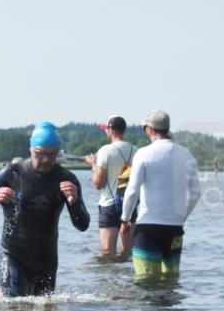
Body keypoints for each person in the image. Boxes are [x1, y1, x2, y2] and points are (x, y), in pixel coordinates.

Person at [0, 122, 90, 297]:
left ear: (57, 152)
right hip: (13, 254)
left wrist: (74, 203)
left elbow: (83, 225)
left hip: (46, 260)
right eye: (40, 153)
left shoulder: (66, 178)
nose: (45, 159)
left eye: (51, 155)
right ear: (30, 149)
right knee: (15, 307)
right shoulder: (12, 173)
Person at [120, 110, 201, 280]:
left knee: (146, 283)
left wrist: (125, 219)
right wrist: (182, 217)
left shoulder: (143, 154)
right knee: (170, 281)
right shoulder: (187, 155)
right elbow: (195, 193)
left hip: (148, 228)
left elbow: (132, 190)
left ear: (149, 129)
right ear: (167, 128)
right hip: (175, 228)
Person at [84, 115, 137, 255]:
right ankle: (126, 276)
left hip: (109, 205)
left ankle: (111, 277)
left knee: (107, 251)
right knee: (128, 251)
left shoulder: (105, 151)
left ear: (112, 129)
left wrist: (93, 165)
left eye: (106, 129)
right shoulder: (136, 151)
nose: (105, 131)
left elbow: (98, 184)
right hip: (130, 205)